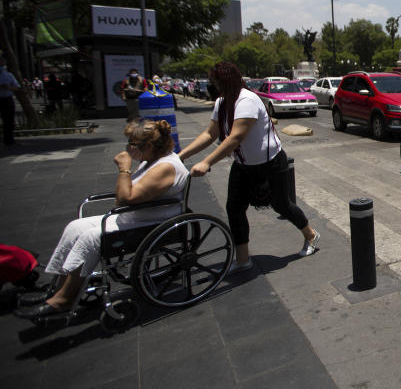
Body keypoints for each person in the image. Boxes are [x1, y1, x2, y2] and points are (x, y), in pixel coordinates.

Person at [14, 120, 188, 320]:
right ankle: (59, 288)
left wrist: (124, 169)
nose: (128, 149)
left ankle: (65, 298)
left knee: (91, 238)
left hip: (151, 223)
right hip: (134, 217)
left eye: (132, 144)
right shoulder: (151, 161)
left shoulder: (165, 167)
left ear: (148, 146)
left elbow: (125, 198)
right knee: (74, 227)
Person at [178, 62, 320, 271]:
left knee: (281, 205)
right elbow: (210, 134)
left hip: (271, 163)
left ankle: (311, 235)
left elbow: (236, 137)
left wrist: (207, 162)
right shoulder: (222, 102)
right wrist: (180, 156)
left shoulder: (247, 100)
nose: (214, 86)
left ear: (227, 81)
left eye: (217, 81)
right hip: (243, 164)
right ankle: (243, 260)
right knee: (234, 208)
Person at [0, 55, 19, 147]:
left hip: (7, 99)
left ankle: (9, 139)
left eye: (3, 62)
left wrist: (8, 87)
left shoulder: (9, 75)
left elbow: (16, 87)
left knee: (9, 120)